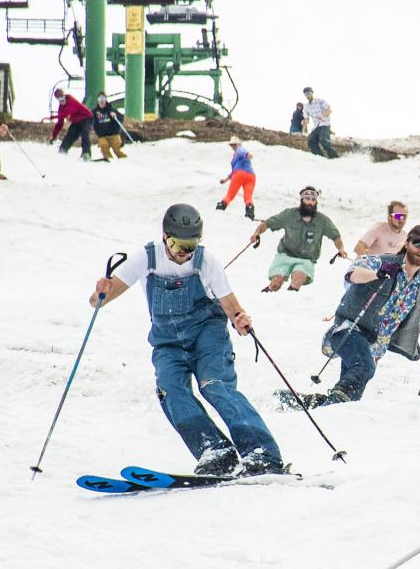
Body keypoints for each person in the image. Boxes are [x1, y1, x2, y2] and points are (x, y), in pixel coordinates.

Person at [88, 204, 287, 477]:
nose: (185, 253)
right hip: (167, 341)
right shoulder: (146, 258)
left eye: (191, 245)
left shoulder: (205, 261)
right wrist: (101, 292)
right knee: (171, 389)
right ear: (165, 236)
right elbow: (98, 302)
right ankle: (215, 450)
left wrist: (240, 319)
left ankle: (261, 453)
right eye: (178, 244)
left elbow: (229, 302)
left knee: (214, 384)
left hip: (208, 335)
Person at [314, 225, 420, 406]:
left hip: (375, 345)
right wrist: (377, 274)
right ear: (407, 243)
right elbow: (352, 274)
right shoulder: (382, 262)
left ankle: (317, 405)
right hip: (349, 329)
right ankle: (330, 403)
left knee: (351, 396)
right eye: (417, 243)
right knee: (364, 367)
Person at [248, 186, 347, 292]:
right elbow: (268, 223)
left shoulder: (323, 220)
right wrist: (256, 233)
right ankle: (269, 295)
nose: (310, 202)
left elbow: (336, 236)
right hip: (285, 255)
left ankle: (291, 297)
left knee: (298, 278)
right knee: (276, 282)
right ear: (302, 200)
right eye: (307, 199)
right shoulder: (289, 214)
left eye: (313, 200)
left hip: (306, 260)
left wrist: (341, 249)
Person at [217, 136, 257, 220]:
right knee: (248, 197)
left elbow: (242, 152)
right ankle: (249, 212)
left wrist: (247, 154)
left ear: (237, 144)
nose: (233, 146)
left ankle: (221, 207)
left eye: (234, 145)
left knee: (230, 195)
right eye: (232, 145)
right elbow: (234, 170)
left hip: (239, 175)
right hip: (251, 176)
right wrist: (226, 179)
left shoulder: (239, 150)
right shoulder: (237, 154)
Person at [50, 87, 93, 160]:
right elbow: (59, 123)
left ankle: (86, 153)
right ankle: (63, 150)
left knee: (85, 133)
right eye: (60, 100)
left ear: (64, 96)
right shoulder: (61, 108)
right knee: (70, 134)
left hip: (87, 118)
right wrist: (54, 136)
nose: (62, 101)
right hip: (76, 121)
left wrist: (54, 116)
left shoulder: (70, 100)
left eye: (63, 98)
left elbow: (70, 111)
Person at [303, 87, 336, 159]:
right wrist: (305, 122)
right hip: (316, 127)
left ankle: (334, 157)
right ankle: (321, 157)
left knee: (323, 139)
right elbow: (307, 119)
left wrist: (322, 115)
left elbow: (329, 110)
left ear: (312, 93)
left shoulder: (320, 101)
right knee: (310, 141)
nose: (307, 96)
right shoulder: (306, 106)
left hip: (324, 124)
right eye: (306, 94)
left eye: (309, 93)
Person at [93, 97, 128, 161]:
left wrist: (115, 116)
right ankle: (109, 159)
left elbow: (121, 118)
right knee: (104, 146)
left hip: (114, 134)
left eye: (103, 100)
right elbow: (89, 119)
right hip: (102, 135)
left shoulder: (111, 110)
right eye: (100, 100)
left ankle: (125, 159)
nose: (102, 102)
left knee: (116, 150)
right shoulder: (95, 112)